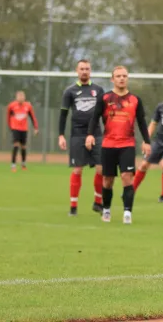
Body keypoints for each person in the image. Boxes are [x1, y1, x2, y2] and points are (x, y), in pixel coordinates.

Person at [86, 66, 151, 225]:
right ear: (112, 79)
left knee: (126, 177)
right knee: (107, 180)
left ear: (127, 78)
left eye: (124, 76)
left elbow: (141, 122)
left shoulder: (135, 100)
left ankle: (127, 212)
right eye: (118, 76)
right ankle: (106, 210)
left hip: (127, 144)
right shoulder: (104, 98)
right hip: (108, 144)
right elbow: (94, 118)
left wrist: (147, 141)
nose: (121, 78)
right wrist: (89, 135)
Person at [58, 59, 105, 216]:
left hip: (96, 134)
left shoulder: (98, 90)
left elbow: (104, 114)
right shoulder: (70, 91)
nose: (84, 71)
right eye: (82, 69)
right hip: (77, 135)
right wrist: (61, 135)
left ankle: (98, 202)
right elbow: (63, 115)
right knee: (78, 170)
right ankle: (73, 206)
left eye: (87, 69)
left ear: (90, 71)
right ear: (77, 71)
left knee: (101, 168)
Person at [6, 91, 39, 171]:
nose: (21, 98)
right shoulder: (11, 106)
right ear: (16, 97)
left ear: (24, 97)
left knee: (23, 146)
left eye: (22, 96)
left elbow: (32, 117)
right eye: (19, 96)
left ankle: (23, 164)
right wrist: (10, 127)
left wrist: (36, 128)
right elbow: (8, 117)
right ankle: (13, 165)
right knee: (16, 145)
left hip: (24, 129)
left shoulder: (28, 106)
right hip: (15, 128)